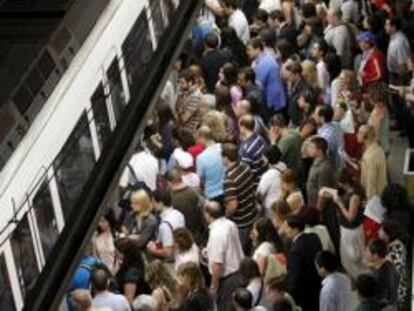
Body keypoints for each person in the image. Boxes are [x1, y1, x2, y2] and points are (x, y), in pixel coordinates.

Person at [204, 200, 244, 311]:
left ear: (208, 214)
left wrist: (213, 287)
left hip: (227, 281)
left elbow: (217, 264)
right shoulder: (231, 224)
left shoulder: (217, 233)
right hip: (238, 272)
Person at [222, 142, 257, 252]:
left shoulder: (230, 179)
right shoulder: (245, 167)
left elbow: (233, 205)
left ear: (226, 158)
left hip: (240, 222)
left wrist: (226, 216)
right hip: (251, 215)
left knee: (240, 252)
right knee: (249, 248)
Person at [284, 214, 322, 311]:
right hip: (317, 285)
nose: (285, 230)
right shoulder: (314, 237)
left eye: (287, 228)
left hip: (304, 295)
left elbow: (294, 279)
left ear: (295, 229)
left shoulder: (295, 251)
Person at [246, 37, 286, 115]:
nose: (247, 52)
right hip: (274, 99)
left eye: (249, 50)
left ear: (257, 49)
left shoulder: (264, 63)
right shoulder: (265, 57)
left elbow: (258, 85)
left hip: (272, 102)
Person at [167, 169, 205, 245]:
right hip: (197, 232)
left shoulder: (170, 197)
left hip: (181, 236)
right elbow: (202, 207)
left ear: (169, 183)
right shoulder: (193, 191)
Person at [378, 219, 409, 311]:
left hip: (397, 293)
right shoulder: (395, 244)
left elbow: (399, 276)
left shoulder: (395, 252)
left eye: (381, 230)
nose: (378, 231)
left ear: (388, 235)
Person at [147, 188, 185, 261]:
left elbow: (168, 253)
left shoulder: (165, 225)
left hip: (172, 261)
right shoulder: (179, 214)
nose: (152, 205)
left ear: (160, 203)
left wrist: (152, 249)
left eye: (153, 202)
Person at [357, 125, 387, 200]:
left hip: (375, 198)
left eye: (359, 133)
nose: (357, 135)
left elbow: (371, 181)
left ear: (366, 136)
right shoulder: (378, 149)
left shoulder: (370, 156)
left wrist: (368, 201)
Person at [196, 125, 226, 201]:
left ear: (202, 138)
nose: (198, 141)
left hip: (211, 194)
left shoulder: (200, 158)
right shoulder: (223, 147)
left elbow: (201, 179)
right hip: (226, 189)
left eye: (198, 138)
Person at [366, 239, 398, 308]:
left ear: (375, 256)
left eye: (368, 251)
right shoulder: (389, 265)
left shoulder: (378, 277)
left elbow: (383, 299)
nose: (366, 253)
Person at [256, 145, 287, 214]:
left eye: (263, 157)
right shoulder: (283, 165)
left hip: (271, 207)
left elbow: (259, 194)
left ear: (267, 159)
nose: (262, 158)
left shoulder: (268, 175)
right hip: (282, 202)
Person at [283, 60, 314, 127]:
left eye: (290, 75)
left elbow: (308, 108)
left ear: (297, 74)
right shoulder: (292, 84)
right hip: (292, 119)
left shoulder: (305, 89)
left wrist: (302, 124)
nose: (288, 78)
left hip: (299, 123)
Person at [306, 137, 335, 208]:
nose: (308, 149)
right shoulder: (315, 162)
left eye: (311, 147)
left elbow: (323, 192)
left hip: (319, 207)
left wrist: (319, 211)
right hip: (311, 203)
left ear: (319, 151)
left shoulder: (324, 168)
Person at [239, 115, 268, 184]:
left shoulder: (246, 149)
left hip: (255, 182)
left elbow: (245, 172)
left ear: (243, 127)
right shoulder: (260, 138)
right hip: (263, 176)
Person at [176, 68, 203, 133]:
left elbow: (184, 119)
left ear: (190, 83)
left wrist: (180, 110)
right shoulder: (184, 93)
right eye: (178, 82)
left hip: (189, 132)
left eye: (182, 83)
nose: (179, 85)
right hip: (182, 130)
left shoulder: (195, 96)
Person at [92, 210, 119, 275]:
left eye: (103, 221)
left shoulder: (117, 236)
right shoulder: (95, 237)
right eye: (99, 221)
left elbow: (120, 258)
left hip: (116, 272)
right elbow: (95, 257)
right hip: (102, 273)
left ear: (109, 221)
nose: (100, 224)